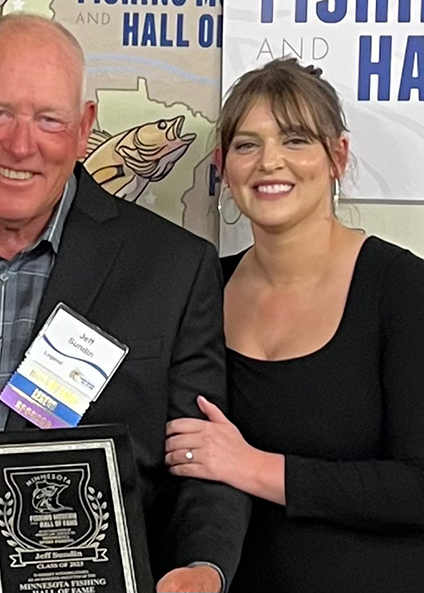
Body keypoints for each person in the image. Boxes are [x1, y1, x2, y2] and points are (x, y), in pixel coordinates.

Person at [0, 13, 249, 593]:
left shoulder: (172, 268)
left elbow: (204, 460)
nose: (21, 143)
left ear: (85, 127)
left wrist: (202, 568)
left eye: (48, 118)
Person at [165, 58, 424, 593]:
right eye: (247, 145)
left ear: (338, 156)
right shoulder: (198, 291)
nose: (270, 162)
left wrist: (254, 467)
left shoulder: (401, 287)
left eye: (296, 139)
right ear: (223, 166)